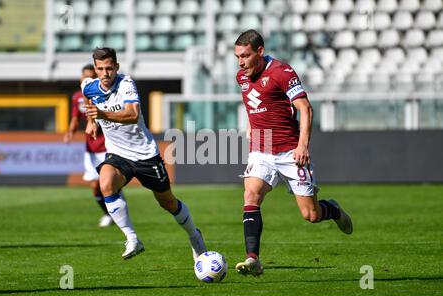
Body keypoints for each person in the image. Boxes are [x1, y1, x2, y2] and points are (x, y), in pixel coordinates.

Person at [234, 30, 353, 276]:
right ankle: (252, 258)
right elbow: (254, 104)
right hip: (261, 150)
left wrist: (302, 145)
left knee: (310, 214)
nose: (241, 62)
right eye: (237, 57)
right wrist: (250, 125)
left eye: (245, 56)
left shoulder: (282, 72)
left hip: (290, 151)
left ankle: (332, 210)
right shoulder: (242, 77)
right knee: (251, 195)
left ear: (260, 51)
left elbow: (305, 108)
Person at [82, 47, 206, 260]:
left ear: (117, 67)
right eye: (101, 69)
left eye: (109, 68)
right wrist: (91, 122)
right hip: (118, 154)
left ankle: (195, 237)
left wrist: (102, 115)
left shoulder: (126, 84)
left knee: (167, 202)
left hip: (145, 154)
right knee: (106, 183)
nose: (105, 73)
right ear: (95, 69)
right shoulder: (88, 86)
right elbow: (88, 101)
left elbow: (132, 114)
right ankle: (132, 238)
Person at [64, 64, 113, 228]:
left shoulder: (105, 94)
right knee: (95, 185)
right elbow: (75, 118)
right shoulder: (77, 97)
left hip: (107, 145)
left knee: (107, 183)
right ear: (81, 79)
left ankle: (117, 212)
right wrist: (70, 132)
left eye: (92, 77)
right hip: (90, 148)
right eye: (86, 77)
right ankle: (109, 213)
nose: (88, 80)